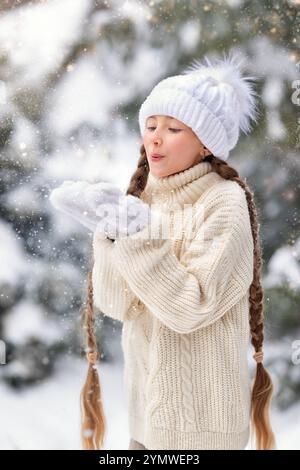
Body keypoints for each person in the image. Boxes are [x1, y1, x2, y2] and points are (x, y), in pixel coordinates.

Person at [50, 51, 276, 450]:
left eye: (173, 128)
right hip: (147, 420)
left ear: (205, 145)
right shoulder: (144, 199)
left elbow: (191, 309)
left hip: (203, 430)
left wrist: (137, 239)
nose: (154, 136)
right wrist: (109, 235)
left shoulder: (223, 202)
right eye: (150, 125)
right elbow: (117, 304)